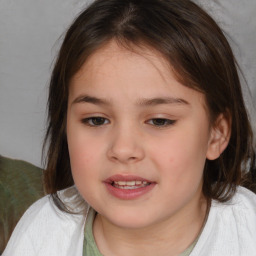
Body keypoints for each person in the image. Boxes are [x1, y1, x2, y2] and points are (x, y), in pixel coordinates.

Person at [3, 0, 256, 255]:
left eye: (159, 121)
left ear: (217, 133)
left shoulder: (248, 233)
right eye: (96, 120)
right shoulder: (41, 233)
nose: (123, 150)